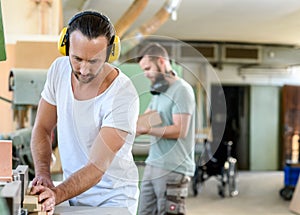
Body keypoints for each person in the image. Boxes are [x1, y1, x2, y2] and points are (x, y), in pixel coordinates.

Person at [30, 10, 140, 215]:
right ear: (65, 47)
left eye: (94, 61)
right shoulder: (58, 70)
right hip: (73, 195)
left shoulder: (123, 94)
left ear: (110, 54)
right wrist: (43, 173)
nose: (84, 69)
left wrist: (57, 193)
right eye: (77, 58)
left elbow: (97, 166)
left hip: (113, 200)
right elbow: (42, 128)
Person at [136, 42, 196, 215]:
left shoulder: (182, 90)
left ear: (161, 61)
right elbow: (146, 120)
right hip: (153, 164)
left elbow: (180, 130)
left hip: (173, 168)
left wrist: (148, 130)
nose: (146, 74)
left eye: (148, 68)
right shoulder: (159, 91)